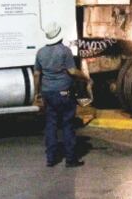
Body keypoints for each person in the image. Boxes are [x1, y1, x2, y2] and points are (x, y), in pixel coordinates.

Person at [33, 21, 91, 167]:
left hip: (48, 93)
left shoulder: (40, 52)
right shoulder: (64, 51)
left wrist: (37, 93)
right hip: (64, 92)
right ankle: (71, 159)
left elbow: (36, 75)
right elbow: (72, 71)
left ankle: (51, 159)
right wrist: (85, 77)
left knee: (51, 125)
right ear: (59, 35)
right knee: (67, 124)